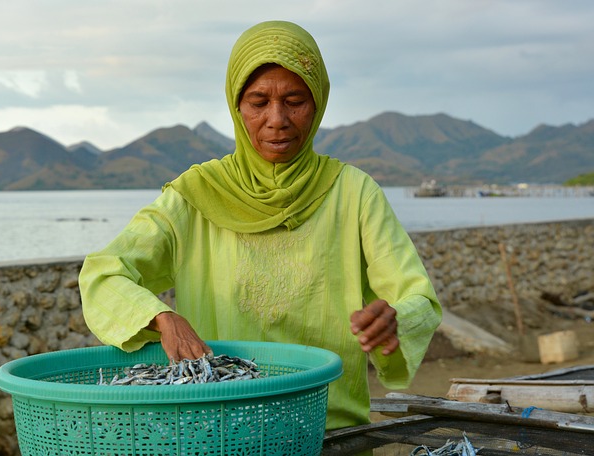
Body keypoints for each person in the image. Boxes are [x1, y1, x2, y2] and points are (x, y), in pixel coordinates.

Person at [79, 20, 442, 431]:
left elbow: (417, 296)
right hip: (219, 430)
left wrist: (394, 318)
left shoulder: (354, 193)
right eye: (258, 102)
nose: (277, 119)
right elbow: (104, 272)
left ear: (318, 103)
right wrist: (162, 317)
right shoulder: (195, 196)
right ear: (236, 107)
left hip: (328, 427)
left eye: (294, 100)